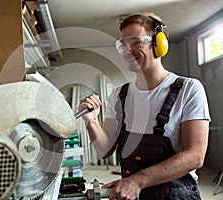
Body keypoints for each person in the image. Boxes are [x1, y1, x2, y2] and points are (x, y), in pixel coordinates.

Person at [79, 13, 210, 200]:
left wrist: (137, 181)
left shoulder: (189, 89)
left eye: (135, 42)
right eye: (123, 45)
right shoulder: (118, 96)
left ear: (158, 44)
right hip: (133, 196)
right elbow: (104, 150)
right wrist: (91, 121)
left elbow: (195, 156)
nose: (127, 50)